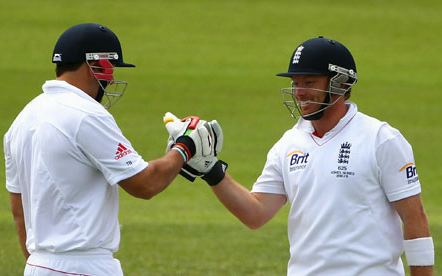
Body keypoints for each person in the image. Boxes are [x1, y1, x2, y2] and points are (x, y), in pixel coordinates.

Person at [174, 36, 434, 275]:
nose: (299, 92)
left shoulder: (380, 138)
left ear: (340, 83)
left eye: (309, 82)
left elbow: (415, 219)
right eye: (295, 83)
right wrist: (212, 171)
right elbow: (255, 214)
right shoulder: (289, 144)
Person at [4, 23, 218, 276]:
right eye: (111, 68)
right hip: (85, 266)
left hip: (37, 266)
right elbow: (145, 184)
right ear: (95, 65)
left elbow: (19, 210)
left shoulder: (21, 120)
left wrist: (44, 265)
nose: (112, 78)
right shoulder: (86, 114)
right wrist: (185, 146)